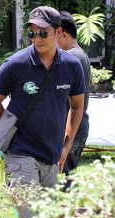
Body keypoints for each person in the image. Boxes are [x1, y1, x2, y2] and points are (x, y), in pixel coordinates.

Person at [0, 6, 85, 218]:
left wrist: (66, 145)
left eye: (43, 32)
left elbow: (77, 106)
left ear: (59, 33)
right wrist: (10, 133)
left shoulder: (72, 65)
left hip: (52, 154)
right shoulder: (15, 64)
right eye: (32, 33)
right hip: (21, 154)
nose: (37, 38)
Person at [57, 11, 91, 191]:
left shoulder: (72, 58)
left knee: (64, 184)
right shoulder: (80, 55)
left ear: (63, 34)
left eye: (52, 34)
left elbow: (77, 104)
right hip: (77, 127)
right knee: (68, 182)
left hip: (72, 128)